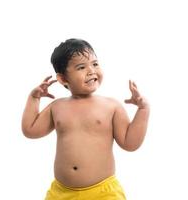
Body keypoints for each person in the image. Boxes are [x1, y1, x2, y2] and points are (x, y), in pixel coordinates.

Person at [21, 38, 150, 200]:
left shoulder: (111, 106)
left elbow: (130, 143)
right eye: (81, 67)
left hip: (103, 192)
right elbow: (30, 130)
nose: (91, 71)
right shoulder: (57, 107)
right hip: (62, 193)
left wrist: (143, 109)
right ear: (62, 79)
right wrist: (34, 98)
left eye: (95, 64)